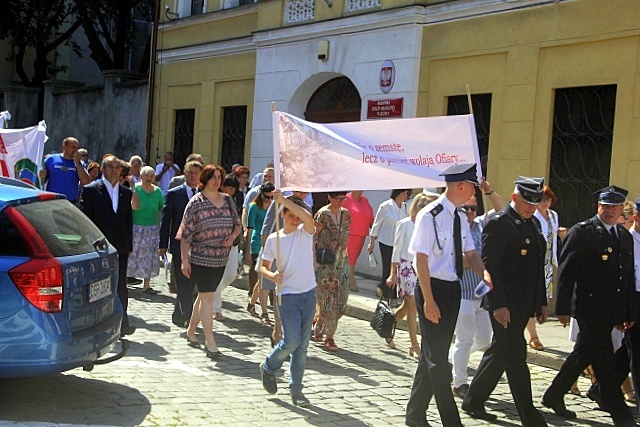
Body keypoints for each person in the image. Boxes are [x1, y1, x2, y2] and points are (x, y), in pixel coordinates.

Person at [542, 186, 637, 427]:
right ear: (598, 207)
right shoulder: (583, 232)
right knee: (604, 361)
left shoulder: (623, 236)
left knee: (582, 354)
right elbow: (566, 271)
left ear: (621, 210)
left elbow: (625, 278)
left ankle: (554, 394)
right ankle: (621, 415)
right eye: (605, 206)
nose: (610, 211)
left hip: (611, 309)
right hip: (588, 308)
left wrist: (628, 311)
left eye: (615, 207)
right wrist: (562, 307)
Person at [405, 163, 491, 427]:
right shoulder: (430, 215)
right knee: (438, 361)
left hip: (453, 288)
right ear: (462, 186)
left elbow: (471, 253)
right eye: (472, 189)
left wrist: (485, 273)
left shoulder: (459, 216)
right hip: (433, 288)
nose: (473, 196)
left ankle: (415, 415)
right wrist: (429, 300)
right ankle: (451, 421)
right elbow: (420, 259)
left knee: (433, 353)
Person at [461, 177, 548, 427]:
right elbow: (491, 269)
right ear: (514, 198)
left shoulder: (531, 225)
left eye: (535, 202)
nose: (531, 207)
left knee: (500, 352)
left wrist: (541, 303)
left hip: (523, 305)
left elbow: (536, 269)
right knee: (516, 357)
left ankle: (474, 400)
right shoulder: (500, 225)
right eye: (526, 202)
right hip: (504, 305)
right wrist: (498, 304)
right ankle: (530, 416)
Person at [177, 164, 242, 359]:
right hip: (201, 256)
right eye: (213, 177)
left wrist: (232, 236)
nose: (216, 181)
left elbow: (238, 224)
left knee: (206, 295)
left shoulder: (228, 200)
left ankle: (191, 330)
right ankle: (210, 342)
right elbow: (186, 234)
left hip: (221, 257)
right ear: (205, 180)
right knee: (208, 298)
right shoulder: (196, 203)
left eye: (219, 178)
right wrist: (184, 260)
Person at [258, 192, 317, 407]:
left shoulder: (305, 232)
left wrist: (284, 200)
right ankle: (269, 366)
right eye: (290, 214)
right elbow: (263, 266)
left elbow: (309, 219)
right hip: (288, 296)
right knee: (291, 341)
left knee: (302, 346)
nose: (295, 219)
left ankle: (296, 390)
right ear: (282, 215)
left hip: (308, 293)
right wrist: (272, 275)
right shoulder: (275, 239)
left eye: (297, 215)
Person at [450, 180, 506, 399]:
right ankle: (460, 382)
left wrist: (489, 191)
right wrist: (481, 260)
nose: (471, 212)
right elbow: (457, 259)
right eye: (466, 208)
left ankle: (452, 357)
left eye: (474, 208)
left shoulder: (483, 225)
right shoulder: (454, 228)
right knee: (464, 339)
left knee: (483, 339)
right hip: (463, 292)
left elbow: (504, 210)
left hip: (483, 294)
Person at [79, 155, 135, 337]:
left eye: (117, 167)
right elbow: (85, 222)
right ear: (102, 169)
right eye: (110, 167)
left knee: (120, 286)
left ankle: (123, 323)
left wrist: (129, 247)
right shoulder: (91, 191)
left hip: (119, 247)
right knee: (98, 287)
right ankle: (96, 323)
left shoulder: (126, 193)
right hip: (98, 248)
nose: (114, 170)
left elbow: (128, 221)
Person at [260, 190, 312, 345]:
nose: (296, 220)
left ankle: (289, 341)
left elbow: (309, 229)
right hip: (279, 250)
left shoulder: (306, 210)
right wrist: (267, 249)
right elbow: (268, 225)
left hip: (300, 256)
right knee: (280, 293)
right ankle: (278, 328)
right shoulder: (279, 202)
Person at [159, 160, 204, 328]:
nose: (193, 176)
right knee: (183, 282)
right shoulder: (174, 194)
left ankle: (178, 315)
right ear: (184, 174)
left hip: (199, 246)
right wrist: (162, 244)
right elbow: (166, 221)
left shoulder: (204, 195)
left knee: (191, 283)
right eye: (190, 172)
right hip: (179, 246)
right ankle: (188, 317)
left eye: (196, 173)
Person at [385, 193, 431, 355]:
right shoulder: (404, 224)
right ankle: (414, 344)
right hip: (405, 267)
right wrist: (393, 273)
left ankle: (388, 324)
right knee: (412, 303)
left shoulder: (428, 225)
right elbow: (396, 250)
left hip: (421, 267)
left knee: (409, 305)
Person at [527, 186, 567, 351]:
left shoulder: (553, 215)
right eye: (543, 199)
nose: (545, 202)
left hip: (549, 262)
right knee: (531, 300)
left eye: (548, 199)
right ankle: (533, 335)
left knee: (544, 299)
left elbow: (552, 233)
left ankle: (527, 326)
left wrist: (559, 233)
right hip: (536, 262)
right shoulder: (532, 215)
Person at [313, 192, 351, 352]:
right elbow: (313, 237)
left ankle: (319, 322)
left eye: (343, 199)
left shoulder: (346, 215)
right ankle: (329, 337)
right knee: (328, 300)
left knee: (341, 302)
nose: (340, 202)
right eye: (338, 198)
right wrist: (313, 260)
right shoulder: (322, 215)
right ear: (330, 197)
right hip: (325, 264)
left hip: (341, 263)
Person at [128, 166, 164, 295]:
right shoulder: (135, 189)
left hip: (152, 227)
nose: (149, 178)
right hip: (135, 226)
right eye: (146, 175)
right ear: (141, 176)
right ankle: (126, 279)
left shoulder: (158, 191)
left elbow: (161, 208)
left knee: (149, 255)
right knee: (133, 253)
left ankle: (146, 285)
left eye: (151, 176)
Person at [369, 189, 411, 300]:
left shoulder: (405, 207)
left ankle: (388, 291)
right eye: (403, 193)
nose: (405, 196)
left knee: (397, 269)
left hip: (399, 243)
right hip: (386, 242)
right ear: (397, 194)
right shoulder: (385, 206)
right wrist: (371, 242)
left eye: (406, 194)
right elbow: (376, 225)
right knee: (387, 268)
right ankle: (387, 295)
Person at [246, 182, 275, 324]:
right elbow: (250, 229)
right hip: (257, 244)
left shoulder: (275, 207)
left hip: (272, 245)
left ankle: (252, 303)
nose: (268, 200)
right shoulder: (254, 207)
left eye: (271, 197)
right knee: (263, 279)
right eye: (266, 197)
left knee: (262, 279)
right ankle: (265, 313)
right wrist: (246, 251)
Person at [39, 137, 90, 204]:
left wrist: (77, 162)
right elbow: (41, 181)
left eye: (77, 148)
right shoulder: (50, 159)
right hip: (51, 201)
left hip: (71, 202)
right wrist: (42, 176)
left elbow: (86, 182)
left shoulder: (80, 164)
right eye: (73, 147)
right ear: (64, 146)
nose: (75, 150)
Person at [343, 191, 374, 292]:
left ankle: (347, 278)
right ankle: (351, 280)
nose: (360, 190)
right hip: (350, 233)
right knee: (350, 259)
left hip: (362, 232)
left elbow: (370, 214)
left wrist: (373, 228)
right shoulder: (346, 199)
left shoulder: (365, 200)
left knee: (354, 258)